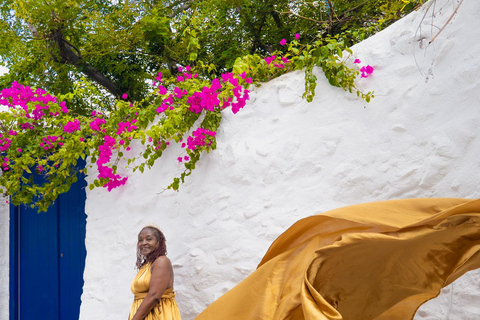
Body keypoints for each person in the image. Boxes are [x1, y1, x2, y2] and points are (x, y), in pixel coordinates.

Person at [128, 226, 181, 320]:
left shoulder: (161, 261)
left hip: (158, 315)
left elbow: (154, 296)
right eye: (140, 240)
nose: (144, 243)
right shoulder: (147, 265)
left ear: (158, 242)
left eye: (149, 239)